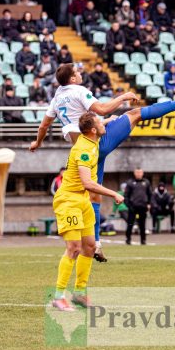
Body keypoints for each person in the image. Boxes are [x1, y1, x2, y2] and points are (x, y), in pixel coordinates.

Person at [31, 63, 175, 261]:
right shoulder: (78, 91)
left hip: (84, 149)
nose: (80, 74)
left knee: (94, 196)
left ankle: (97, 244)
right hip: (97, 143)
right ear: (73, 79)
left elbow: (44, 125)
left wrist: (37, 143)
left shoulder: (57, 98)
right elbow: (101, 109)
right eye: (77, 72)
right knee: (134, 114)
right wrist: (124, 97)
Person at [49, 112, 124, 311]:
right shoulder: (83, 149)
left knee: (89, 247)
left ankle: (80, 294)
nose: (103, 124)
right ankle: (57, 296)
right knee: (74, 247)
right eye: (100, 122)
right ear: (92, 130)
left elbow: (96, 125)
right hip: (69, 201)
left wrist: (109, 120)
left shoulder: (92, 139)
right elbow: (88, 183)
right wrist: (113, 193)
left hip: (82, 201)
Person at [124, 168, 152, 245]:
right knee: (130, 224)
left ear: (142, 173)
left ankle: (143, 240)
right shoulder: (130, 182)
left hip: (143, 206)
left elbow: (150, 194)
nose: (139, 174)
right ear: (134, 173)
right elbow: (126, 196)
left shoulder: (146, 182)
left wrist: (149, 203)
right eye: (137, 172)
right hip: (132, 207)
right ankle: (128, 239)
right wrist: (129, 205)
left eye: (140, 172)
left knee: (142, 224)